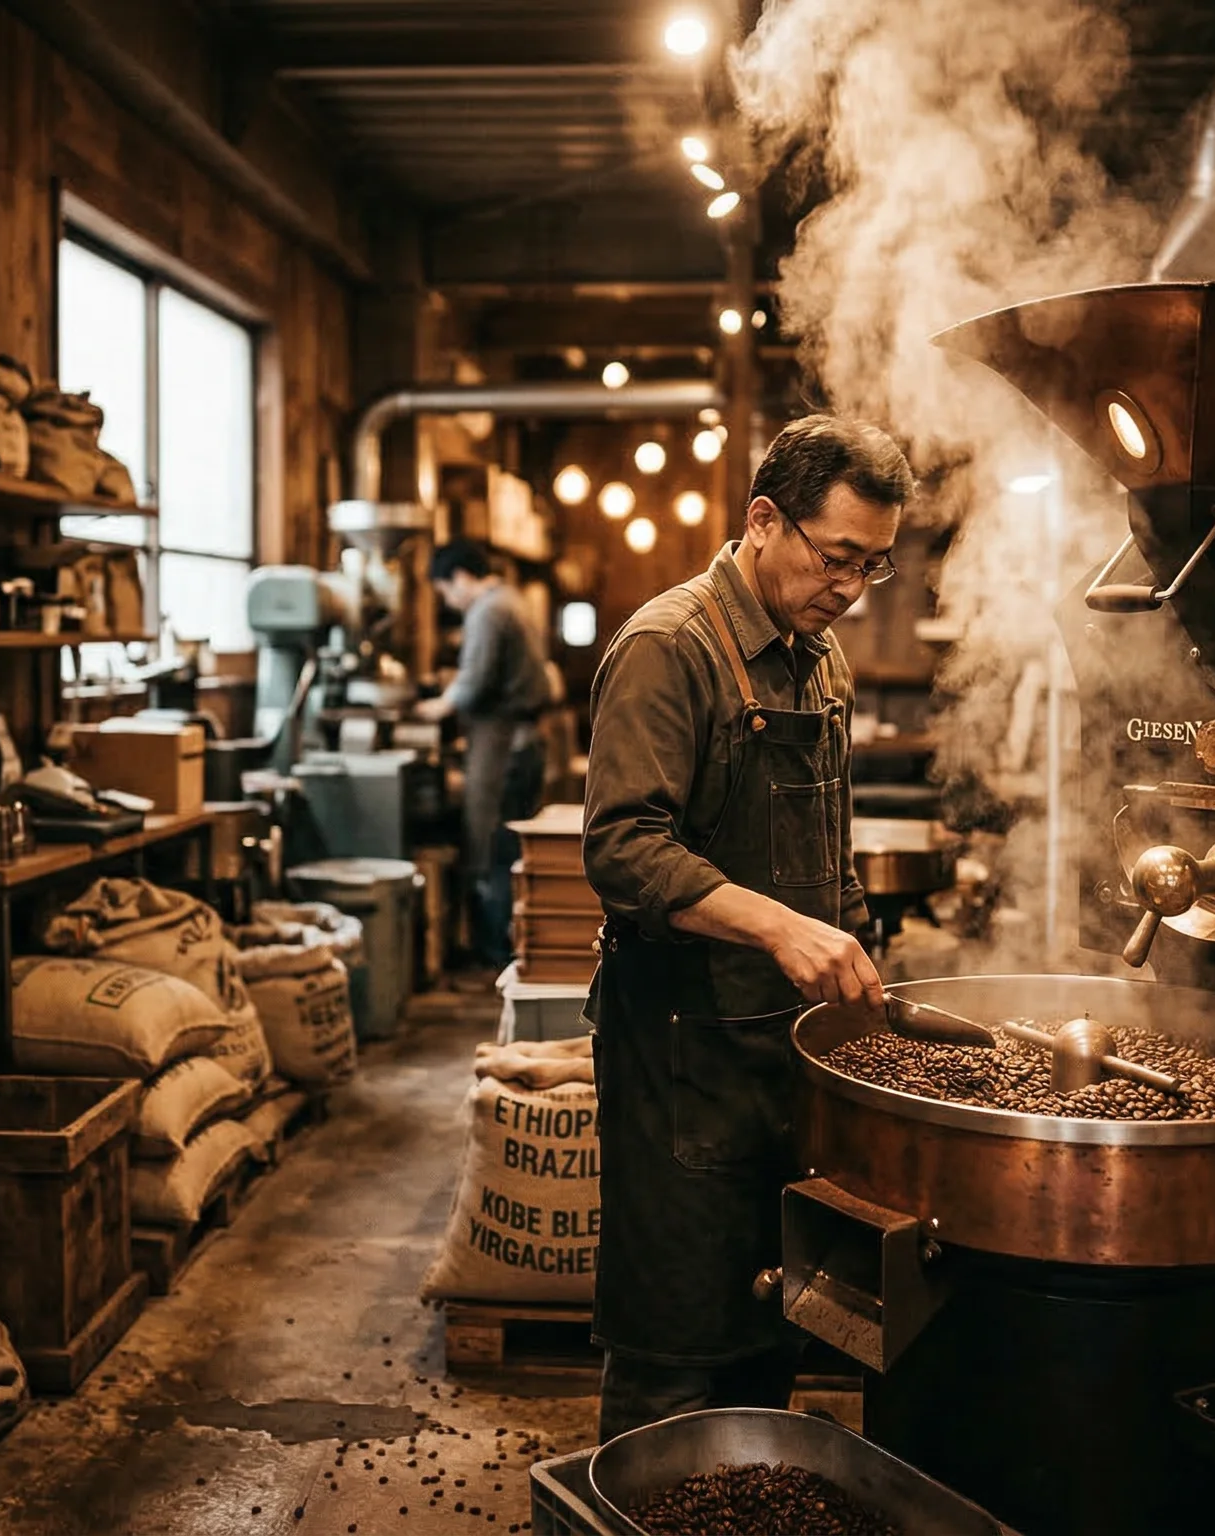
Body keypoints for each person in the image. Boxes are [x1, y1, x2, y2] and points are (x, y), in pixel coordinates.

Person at [580, 415, 910, 1438]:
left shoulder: (822, 664)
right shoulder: (669, 648)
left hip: (781, 1049)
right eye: (836, 557)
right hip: (680, 1052)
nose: (850, 587)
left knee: (768, 1320)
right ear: (765, 520)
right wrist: (777, 928)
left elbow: (828, 852)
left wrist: (871, 995)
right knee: (678, 1340)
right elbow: (623, 849)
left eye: (875, 565)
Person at [414, 541, 555, 973]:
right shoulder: (510, 599)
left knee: (494, 845)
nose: (448, 602)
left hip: (504, 743)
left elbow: (474, 684)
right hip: (523, 740)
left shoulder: (488, 610)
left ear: (459, 577)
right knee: (509, 846)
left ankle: (496, 951)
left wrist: (436, 705)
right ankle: (508, 948)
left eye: (444, 592)